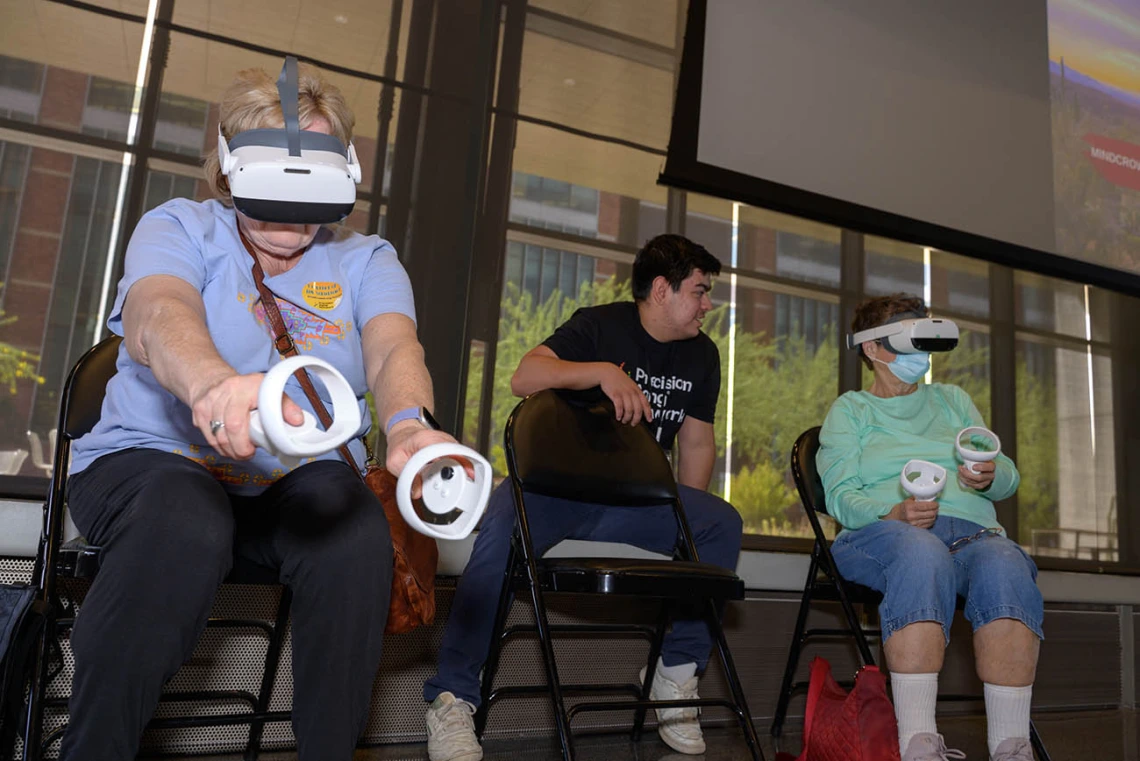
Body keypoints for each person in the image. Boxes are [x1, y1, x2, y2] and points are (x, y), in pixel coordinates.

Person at [59, 61, 457, 761]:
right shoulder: (179, 226)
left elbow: (395, 348)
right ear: (230, 165)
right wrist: (213, 383)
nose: (289, 220)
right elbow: (159, 312)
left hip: (285, 485)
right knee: (188, 515)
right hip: (155, 464)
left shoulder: (366, 259)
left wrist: (407, 426)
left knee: (353, 525)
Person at [423, 234, 744, 761]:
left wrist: (683, 524)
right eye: (700, 291)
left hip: (636, 504)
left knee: (719, 524)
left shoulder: (703, 354)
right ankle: (453, 697)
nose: (708, 305)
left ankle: (674, 672)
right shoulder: (600, 324)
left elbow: (697, 440)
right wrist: (600, 371)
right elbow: (524, 375)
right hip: (555, 493)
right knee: (501, 532)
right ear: (661, 291)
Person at [817, 293, 1043, 761]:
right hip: (881, 535)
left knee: (1007, 562)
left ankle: (1011, 746)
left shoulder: (953, 400)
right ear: (872, 349)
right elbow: (841, 496)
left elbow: (1007, 477)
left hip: (972, 535)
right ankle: (918, 742)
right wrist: (893, 512)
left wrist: (988, 474)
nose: (920, 354)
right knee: (923, 553)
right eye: (908, 340)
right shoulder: (852, 410)